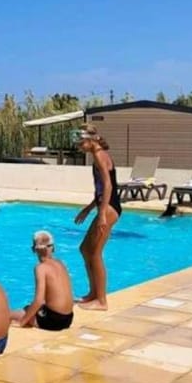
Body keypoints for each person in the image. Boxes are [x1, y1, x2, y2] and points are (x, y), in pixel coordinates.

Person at [73, 124, 120, 311]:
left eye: (80, 141)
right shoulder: (97, 155)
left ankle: (101, 301)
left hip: (109, 209)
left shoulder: (100, 156)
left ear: (90, 140)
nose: (78, 145)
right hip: (105, 206)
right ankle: (93, 293)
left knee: (95, 253)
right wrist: (89, 208)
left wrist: (101, 214)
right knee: (85, 249)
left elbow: (108, 186)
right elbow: (101, 189)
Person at [11, 231, 75, 331]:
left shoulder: (40, 268)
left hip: (53, 321)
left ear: (33, 249)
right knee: (28, 308)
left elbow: (39, 300)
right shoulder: (60, 263)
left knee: (10, 314)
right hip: (68, 319)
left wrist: (22, 322)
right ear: (53, 248)